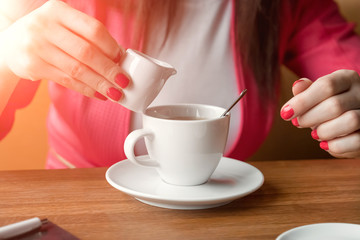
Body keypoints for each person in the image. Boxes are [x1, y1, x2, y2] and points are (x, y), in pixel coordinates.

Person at [0, 0, 359, 168]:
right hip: (77, 208)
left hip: (221, 216)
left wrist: (351, 110)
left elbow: (348, 73)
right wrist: (6, 53)